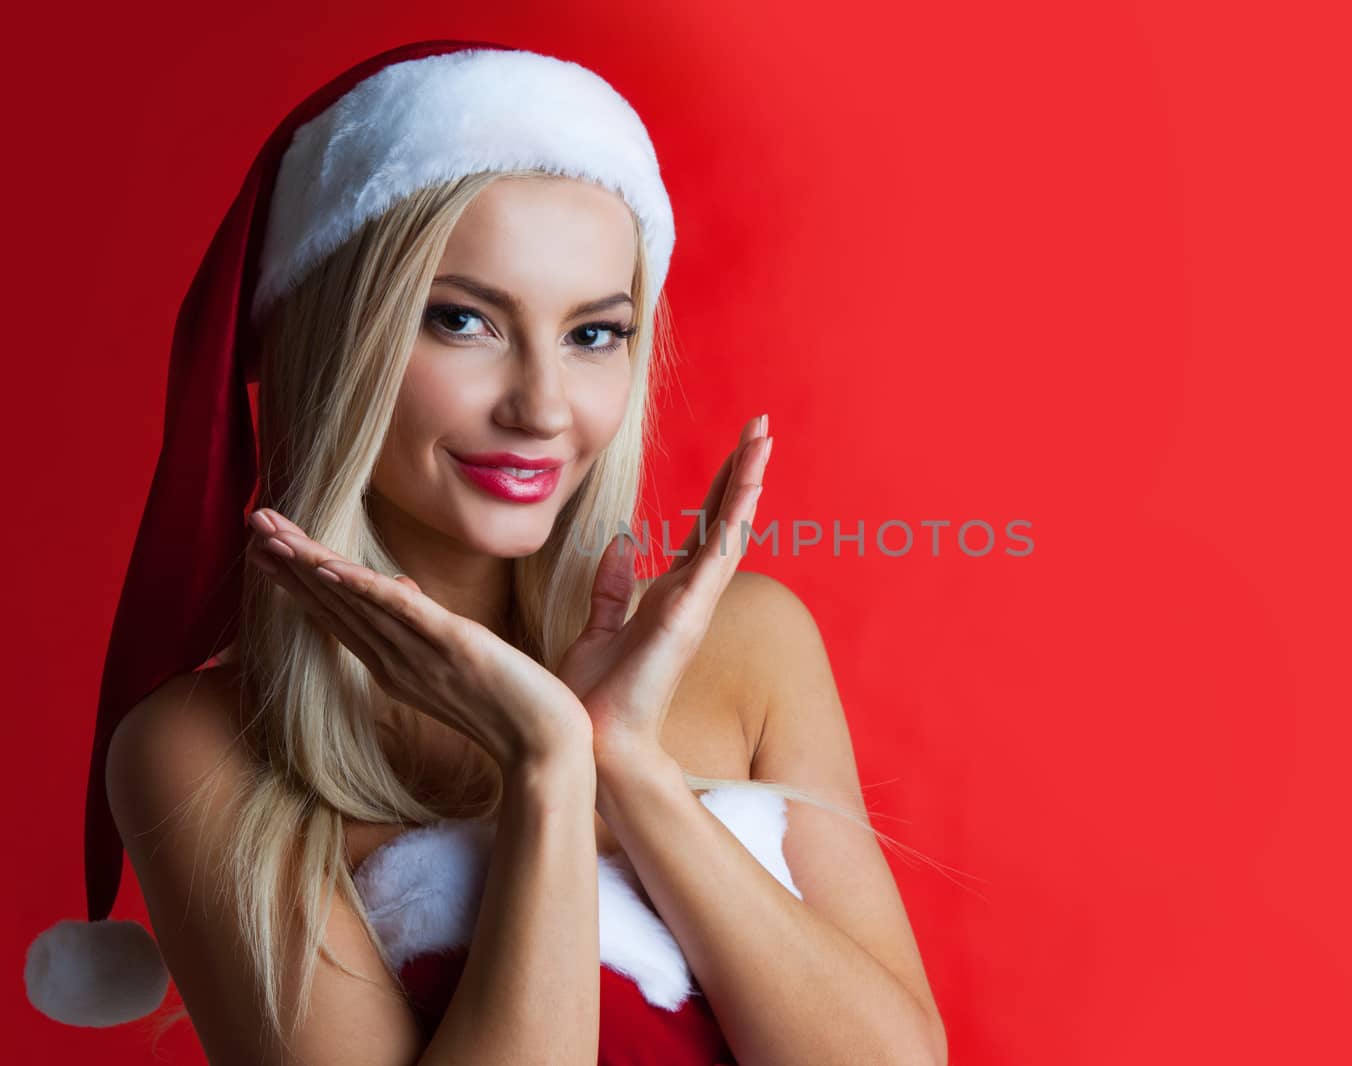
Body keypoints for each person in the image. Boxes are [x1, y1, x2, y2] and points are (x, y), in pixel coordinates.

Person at [21, 38, 945, 1066]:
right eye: (462, 321)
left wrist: (629, 767)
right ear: (334, 342)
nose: (542, 406)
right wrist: (547, 766)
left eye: (594, 333)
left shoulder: (751, 645)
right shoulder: (201, 750)